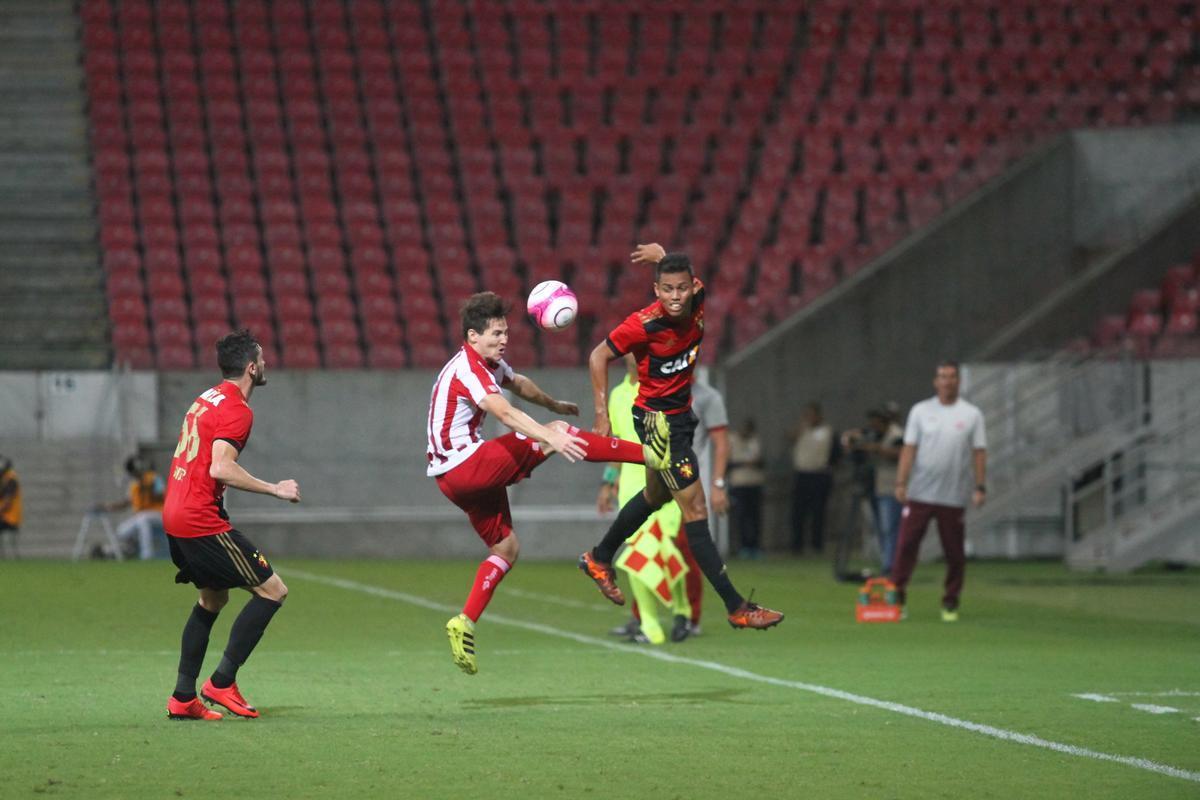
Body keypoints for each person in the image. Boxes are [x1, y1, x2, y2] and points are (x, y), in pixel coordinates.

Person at [432, 292, 672, 675]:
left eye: (506, 332)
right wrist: (551, 434)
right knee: (559, 434)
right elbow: (505, 411)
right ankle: (648, 453)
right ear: (472, 336)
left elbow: (518, 384)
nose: (503, 339)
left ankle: (465, 621)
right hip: (467, 465)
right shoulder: (469, 368)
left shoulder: (488, 361)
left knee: (506, 548)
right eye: (495, 333)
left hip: (453, 479)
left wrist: (552, 406)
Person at [578, 243, 783, 630]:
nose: (675, 297)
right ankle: (737, 606)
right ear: (655, 290)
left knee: (655, 496)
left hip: (682, 418)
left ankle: (599, 557)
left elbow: (682, 274)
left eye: (682, 289)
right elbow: (597, 356)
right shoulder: (642, 323)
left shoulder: (698, 301)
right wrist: (602, 414)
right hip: (658, 423)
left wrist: (665, 256)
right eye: (667, 289)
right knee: (696, 511)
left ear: (693, 288)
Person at [162, 329, 300, 721]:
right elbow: (220, 466)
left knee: (212, 599)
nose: (267, 363)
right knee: (273, 591)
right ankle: (221, 683)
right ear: (252, 367)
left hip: (175, 511)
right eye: (263, 358)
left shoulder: (206, 398)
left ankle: (183, 697)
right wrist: (275, 489)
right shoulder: (238, 409)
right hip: (198, 518)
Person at [892, 361, 987, 622]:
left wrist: (980, 486)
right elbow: (909, 448)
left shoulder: (971, 414)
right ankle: (896, 598)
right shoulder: (921, 411)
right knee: (906, 545)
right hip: (920, 492)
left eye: (952, 377)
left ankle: (950, 603)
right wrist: (901, 482)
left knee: (954, 552)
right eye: (942, 377)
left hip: (953, 496)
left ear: (959, 381)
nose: (947, 381)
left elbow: (979, 451)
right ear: (936, 382)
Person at [842, 408, 904, 574]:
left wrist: (875, 448)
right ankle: (887, 560)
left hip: (892, 487)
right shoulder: (873, 433)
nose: (873, 426)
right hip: (875, 487)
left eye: (876, 423)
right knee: (880, 527)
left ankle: (891, 564)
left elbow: (900, 454)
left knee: (890, 527)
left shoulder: (897, 435)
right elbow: (851, 435)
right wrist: (851, 441)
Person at [99, 454, 167, 560]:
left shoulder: (154, 478)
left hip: (159, 514)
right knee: (121, 530)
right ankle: (125, 551)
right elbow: (127, 502)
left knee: (143, 520)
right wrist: (108, 507)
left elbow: (162, 495)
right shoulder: (134, 485)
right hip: (141, 516)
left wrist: (147, 487)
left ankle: (147, 555)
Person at [789, 402, 834, 554]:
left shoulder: (827, 431)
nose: (810, 418)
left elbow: (835, 453)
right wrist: (803, 426)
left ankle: (817, 545)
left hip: (819, 474)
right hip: (802, 474)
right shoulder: (803, 430)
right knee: (798, 512)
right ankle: (797, 545)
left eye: (812, 414)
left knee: (818, 512)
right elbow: (791, 437)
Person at [728, 418, 765, 559]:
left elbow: (762, 461)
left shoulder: (755, 441)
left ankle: (755, 546)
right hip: (739, 485)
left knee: (755, 517)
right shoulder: (733, 440)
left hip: (755, 484)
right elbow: (727, 463)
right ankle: (743, 546)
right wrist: (744, 463)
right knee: (741, 517)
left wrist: (755, 463)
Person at [0, 455, 21, 559]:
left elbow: (7, 502)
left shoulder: (10, 479)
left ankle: (4, 555)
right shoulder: (5, 478)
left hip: (9, 516)